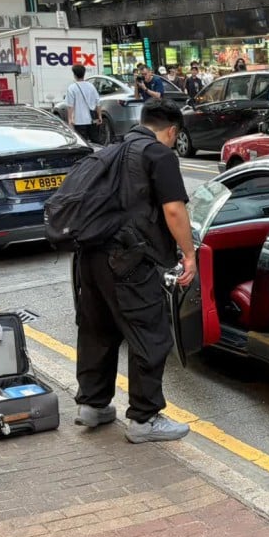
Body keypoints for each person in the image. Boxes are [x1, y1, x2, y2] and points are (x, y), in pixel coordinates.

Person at [73, 99, 197, 444]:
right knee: (149, 333)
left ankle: (93, 405)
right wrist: (188, 254)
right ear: (171, 130)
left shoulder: (113, 149)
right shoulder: (160, 155)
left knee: (98, 331)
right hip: (129, 262)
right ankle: (144, 419)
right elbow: (173, 211)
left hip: (91, 257)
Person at [65, 64, 102, 142]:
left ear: (74, 75)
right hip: (93, 120)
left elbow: (70, 106)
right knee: (96, 142)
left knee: (82, 142)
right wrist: (99, 116)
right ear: (84, 74)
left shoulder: (72, 88)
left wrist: (70, 120)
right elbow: (98, 103)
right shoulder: (91, 86)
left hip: (79, 121)